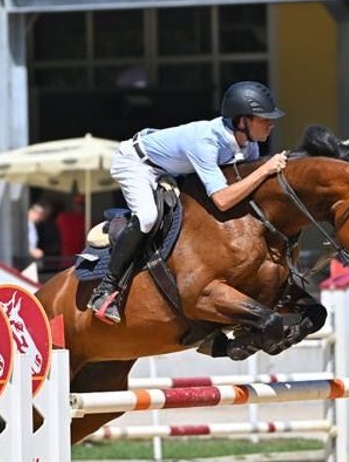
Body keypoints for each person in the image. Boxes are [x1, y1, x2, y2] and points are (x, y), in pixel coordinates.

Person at [88, 80, 289, 324]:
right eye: (264, 118)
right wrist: (266, 169)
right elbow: (223, 200)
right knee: (149, 217)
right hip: (137, 163)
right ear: (242, 121)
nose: (271, 123)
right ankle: (106, 290)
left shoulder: (249, 147)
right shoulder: (206, 141)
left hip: (172, 170)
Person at [55, 194, 88, 260]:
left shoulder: (88, 220)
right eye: (78, 204)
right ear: (73, 204)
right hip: (66, 257)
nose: (79, 207)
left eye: (82, 204)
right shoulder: (63, 217)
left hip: (81, 256)